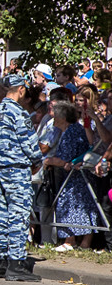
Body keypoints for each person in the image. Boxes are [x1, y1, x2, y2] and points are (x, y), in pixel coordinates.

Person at [46, 102, 98, 251]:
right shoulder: (69, 130)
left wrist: (48, 161)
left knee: (74, 206)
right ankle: (79, 242)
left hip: (78, 176)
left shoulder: (72, 132)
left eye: (56, 115)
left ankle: (71, 241)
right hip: (75, 175)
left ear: (63, 117)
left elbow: (65, 159)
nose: (53, 118)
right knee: (80, 207)